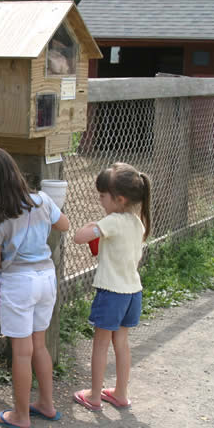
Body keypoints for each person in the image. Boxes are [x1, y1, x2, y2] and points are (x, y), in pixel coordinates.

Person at [0, 146, 70, 428]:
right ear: (14, 173)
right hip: (46, 278)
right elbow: (63, 225)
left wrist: (2, 251)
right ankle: (47, 404)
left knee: (22, 352)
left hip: (19, 284)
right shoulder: (41, 201)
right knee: (39, 345)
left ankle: (20, 414)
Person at [72, 162, 151, 411]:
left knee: (100, 344)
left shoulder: (113, 221)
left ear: (119, 198)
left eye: (103, 196)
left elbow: (79, 237)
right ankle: (120, 392)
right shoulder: (137, 222)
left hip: (112, 293)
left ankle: (95, 396)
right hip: (132, 291)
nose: (100, 200)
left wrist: (92, 224)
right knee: (122, 343)